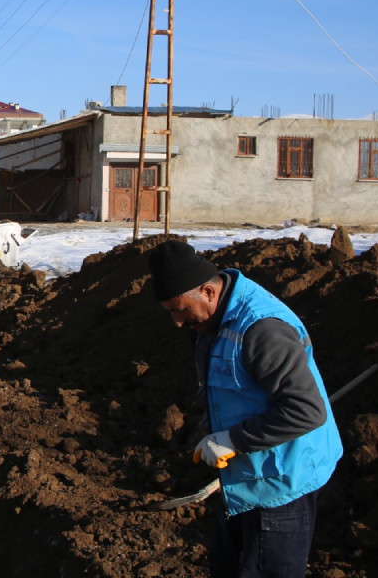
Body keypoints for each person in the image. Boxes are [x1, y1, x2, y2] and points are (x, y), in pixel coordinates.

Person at [147, 239, 342, 578]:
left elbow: (307, 410)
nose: (177, 322)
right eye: (171, 312)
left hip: (281, 483)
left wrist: (232, 440)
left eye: (180, 310)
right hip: (244, 477)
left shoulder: (261, 329)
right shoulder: (208, 320)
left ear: (208, 292)